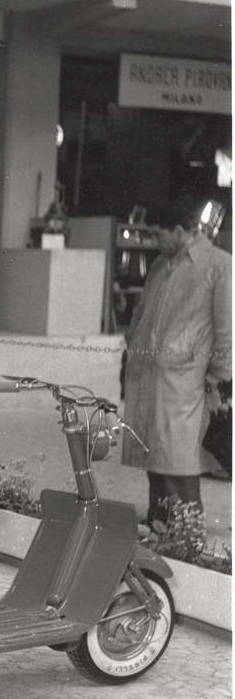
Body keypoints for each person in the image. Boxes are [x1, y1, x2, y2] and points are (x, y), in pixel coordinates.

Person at [122, 193, 232, 525]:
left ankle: (184, 531)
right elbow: (141, 314)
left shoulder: (220, 265)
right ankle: (160, 523)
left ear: (181, 230)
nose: (154, 242)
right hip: (150, 378)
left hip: (188, 384)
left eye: (158, 234)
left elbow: (228, 331)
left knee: (179, 463)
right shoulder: (160, 265)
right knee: (155, 460)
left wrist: (219, 383)